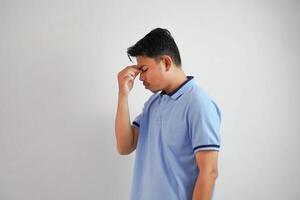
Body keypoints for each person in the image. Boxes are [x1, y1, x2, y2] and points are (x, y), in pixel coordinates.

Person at [115, 28, 221, 200]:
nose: (140, 77)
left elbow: (209, 172)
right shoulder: (153, 103)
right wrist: (123, 94)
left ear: (166, 62)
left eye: (144, 69)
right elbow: (124, 146)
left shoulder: (198, 104)